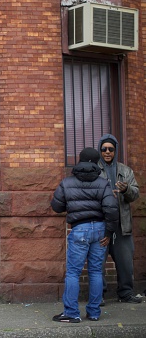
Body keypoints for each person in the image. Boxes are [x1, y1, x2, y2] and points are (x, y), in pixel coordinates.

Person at [51, 147, 118, 323]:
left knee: (73, 272)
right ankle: (94, 313)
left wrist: (73, 205)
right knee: (96, 271)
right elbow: (112, 210)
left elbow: (57, 207)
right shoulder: (103, 183)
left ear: (80, 160)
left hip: (80, 229)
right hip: (100, 231)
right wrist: (109, 232)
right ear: (97, 163)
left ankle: (72, 313)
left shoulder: (67, 182)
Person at [98, 134, 141, 303]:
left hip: (122, 224)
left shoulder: (125, 170)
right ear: (100, 150)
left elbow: (135, 193)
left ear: (115, 151)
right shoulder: (94, 169)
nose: (107, 152)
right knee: (98, 262)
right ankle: (98, 295)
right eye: (104, 149)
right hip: (102, 224)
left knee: (125, 262)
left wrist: (126, 190)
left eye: (111, 149)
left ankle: (125, 294)